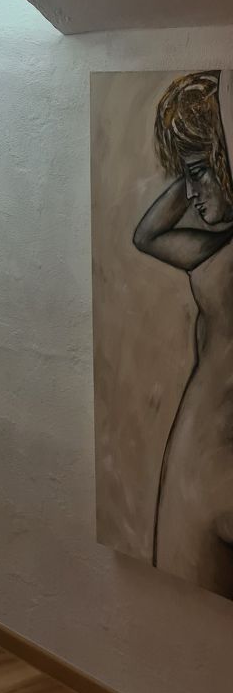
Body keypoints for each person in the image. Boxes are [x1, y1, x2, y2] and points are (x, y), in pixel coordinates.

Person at [133, 70, 233, 595]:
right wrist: (200, 163)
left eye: (198, 174)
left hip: (204, 462)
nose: (191, 194)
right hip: (202, 466)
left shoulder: (217, 254)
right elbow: (147, 235)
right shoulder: (216, 250)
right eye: (185, 177)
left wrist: (217, 161)